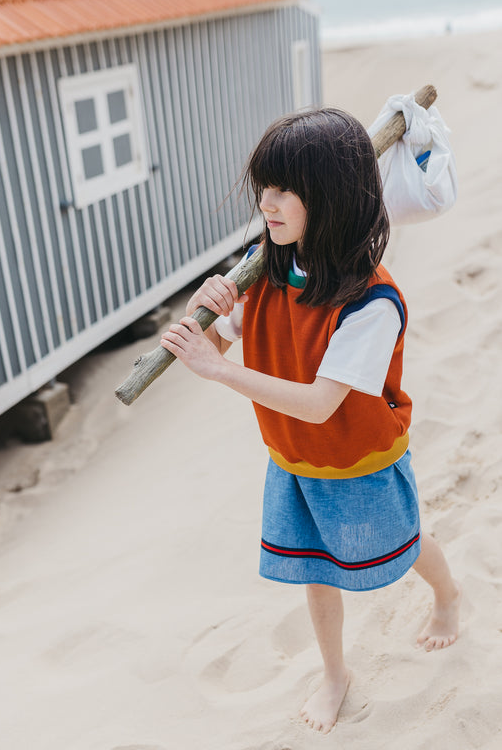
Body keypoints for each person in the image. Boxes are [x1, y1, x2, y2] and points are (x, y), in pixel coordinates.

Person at [160, 108, 461, 735]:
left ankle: (448, 595)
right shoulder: (267, 265)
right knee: (316, 571)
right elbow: (221, 345)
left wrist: (217, 373)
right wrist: (204, 314)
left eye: (283, 192)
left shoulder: (371, 301)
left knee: (402, 548)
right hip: (293, 458)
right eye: (263, 191)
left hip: (360, 458)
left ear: (327, 199)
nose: (266, 206)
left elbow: (320, 401)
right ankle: (334, 673)